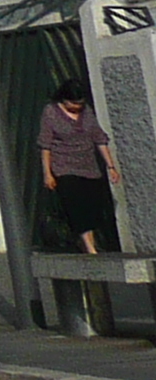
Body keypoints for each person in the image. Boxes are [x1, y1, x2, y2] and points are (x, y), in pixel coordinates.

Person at [39, 79, 124, 256]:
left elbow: (99, 138)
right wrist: (48, 173)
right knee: (76, 206)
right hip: (64, 167)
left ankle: (85, 242)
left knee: (92, 207)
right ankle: (90, 248)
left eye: (80, 104)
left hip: (88, 166)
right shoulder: (51, 112)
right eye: (73, 104)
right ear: (63, 99)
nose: (77, 107)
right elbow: (45, 145)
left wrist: (111, 166)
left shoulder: (87, 112)